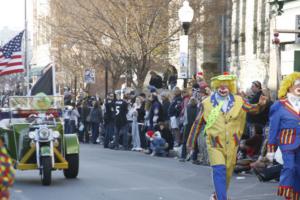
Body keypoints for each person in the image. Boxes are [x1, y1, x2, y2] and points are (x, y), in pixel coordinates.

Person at [187, 73, 266, 200]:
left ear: (230, 87)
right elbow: (198, 123)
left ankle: (218, 195)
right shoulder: (207, 103)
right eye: (220, 86)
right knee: (219, 169)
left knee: (228, 172)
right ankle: (221, 198)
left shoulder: (239, 101)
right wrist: (190, 142)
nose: (223, 89)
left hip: (232, 144)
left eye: (226, 86)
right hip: (214, 142)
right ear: (216, 87)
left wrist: (260, 105)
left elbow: (253, 109)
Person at [266, 72, 300, 200]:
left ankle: (295, 196)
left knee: (298, 172)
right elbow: (273, 129)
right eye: (297, 84)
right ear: (289, 86)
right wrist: (270, 149)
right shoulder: (279, 105)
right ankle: (286, 195)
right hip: (287, 143)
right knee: (290, 168)